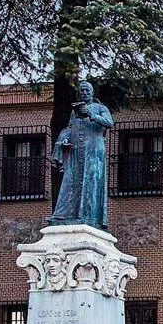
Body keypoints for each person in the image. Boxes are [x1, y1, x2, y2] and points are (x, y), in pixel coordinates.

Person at [48, 81, 113, 229]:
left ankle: (90, 216)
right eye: (81, 91)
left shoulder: (100, 108)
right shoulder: (74, 112)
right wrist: (65, 139)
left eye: (86, 90)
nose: (84, 93)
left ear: (92, 93)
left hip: (94, 151)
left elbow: (109, 123)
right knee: (71, 181)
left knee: (91, 182)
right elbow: (70, 128)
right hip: (76, 151)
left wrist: (90, 114)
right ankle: (68, 214)